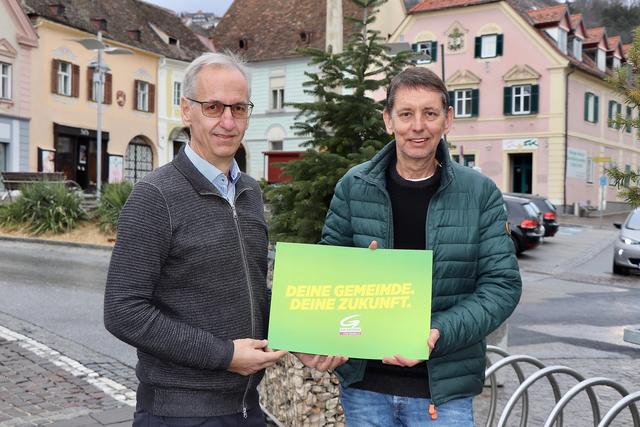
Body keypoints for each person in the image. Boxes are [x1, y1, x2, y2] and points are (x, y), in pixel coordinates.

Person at [317, 67, 522, 426]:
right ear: (388, 120)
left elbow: (502, 286)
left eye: (430, 113)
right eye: (406, 114)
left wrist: (437, 332)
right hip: (367, 387)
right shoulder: (354, 186)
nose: (418, 126)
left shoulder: (479, 193)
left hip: (443, 392)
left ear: (447, 120)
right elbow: (326, 274)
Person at [104, 52, 287, 426]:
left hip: (247, 408)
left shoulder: (250, 191)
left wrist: (313, 332)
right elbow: (123, 311)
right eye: (214, 107)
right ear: (186, 111)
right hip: (179, 414)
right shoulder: (155, 195)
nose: (228, 121)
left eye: (239, 108)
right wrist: (223, 355)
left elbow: (253, 293)